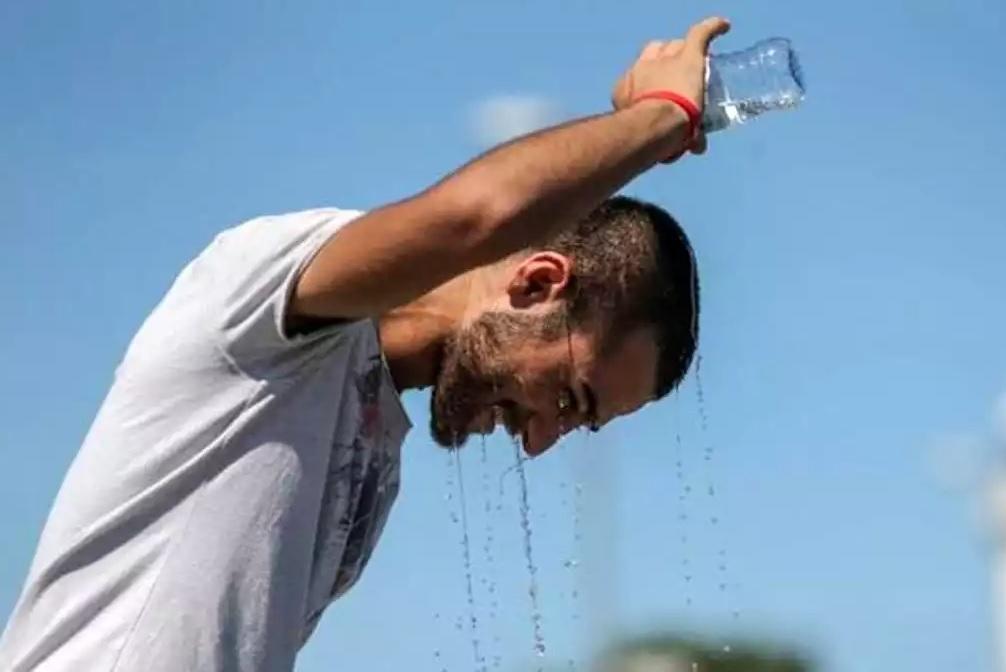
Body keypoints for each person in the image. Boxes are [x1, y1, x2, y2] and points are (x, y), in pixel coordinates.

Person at [0, 15, 730, 672]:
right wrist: (662, 118)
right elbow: (476, 218)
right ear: (536, 285)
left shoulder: (376, 452)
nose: (540, 442)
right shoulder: (266, 301)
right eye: (569, 398)